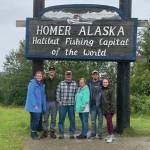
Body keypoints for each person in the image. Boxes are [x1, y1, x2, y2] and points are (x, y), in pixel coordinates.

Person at [25, 70, 46, 140]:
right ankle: (33, 134)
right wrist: (35, 105)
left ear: (42, 77)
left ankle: (33, 132)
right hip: (33, 106)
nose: (39, 77)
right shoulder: (32, 83)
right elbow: (31, 95)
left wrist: (43, 106)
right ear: (35, 76)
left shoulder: (41, 84)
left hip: (39, 106)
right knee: (35, 120)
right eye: (38, 76)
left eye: (40, 76)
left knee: (34, 119)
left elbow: (43, 96)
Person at [56, 70, 77, 139]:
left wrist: (75, 102)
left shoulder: (74, 83)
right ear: (65, 76)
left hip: (71, 105)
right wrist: (59, 102)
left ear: (71, 76)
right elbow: (57, 93)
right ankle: (61, 133)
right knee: (61, 119)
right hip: (63, 105)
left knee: (72, 119)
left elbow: (77, 94)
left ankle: (71, 133)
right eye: (67, 75)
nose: (68, 76)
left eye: (69, 75)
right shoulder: (61, 83)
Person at [42, 66, 60, 138]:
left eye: (53, 70)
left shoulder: (58, 80)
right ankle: (45, 131)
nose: (51, 71)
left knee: (53, 118)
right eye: (50, 70)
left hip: (54, 102)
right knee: (45, 118)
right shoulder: (45, 80)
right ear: (48, 72)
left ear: (55, 72)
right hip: (46, 101)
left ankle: (52, 132)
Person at [88, 70, 103, 139]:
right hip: (92, 105)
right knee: (93, 121)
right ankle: (93, 133)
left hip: (100, 105)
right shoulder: (89, 83)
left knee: (100, 120)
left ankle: (100, 134)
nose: (95, 76)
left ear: (98, 76)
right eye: (94, 74)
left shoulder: (101, 83)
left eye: (96, 74)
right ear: (92, 76)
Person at [102, 79, 115, 143]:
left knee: (109, 122)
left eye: (106, 82)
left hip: (109, 109)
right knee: (108, 122)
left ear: (108, 83)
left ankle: (111, 135)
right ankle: (110, 134)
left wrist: (111, 110)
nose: (105, 83)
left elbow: (113, 100)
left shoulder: (111, 90)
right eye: (104, 82)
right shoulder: (102, 90)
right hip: (104, 110)